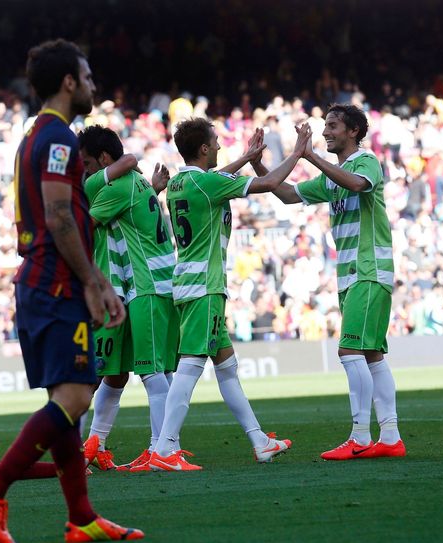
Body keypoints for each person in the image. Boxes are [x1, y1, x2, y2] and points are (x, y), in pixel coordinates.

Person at [0, 39, 143, 543]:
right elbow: (60, 215)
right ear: (68, 82)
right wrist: (93, 281)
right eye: (86, 76)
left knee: (70, 404)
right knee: (76, 396)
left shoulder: (33, 136)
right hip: (55, 283)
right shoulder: (59, 138)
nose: (92, 85)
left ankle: (81, 517)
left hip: (41, 281)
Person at [149, 118, 311, 471]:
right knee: (190, 365)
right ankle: (164, 447)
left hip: (193, 283)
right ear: (205, 149)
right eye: (216, 143)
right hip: (204, 286)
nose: (220, 147)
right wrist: (298, 153)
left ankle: (259, 440)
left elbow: (217, 177)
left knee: (227, 368)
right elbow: (268, 182)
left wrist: (245, 156)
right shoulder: (207, 183)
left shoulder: (181, 181)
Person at [255, 103, 406, 460]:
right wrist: (256, 164)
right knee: (372, 354)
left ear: (353, 131)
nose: (326, 131)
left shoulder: (365, 161)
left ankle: (360, 437)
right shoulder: (331, 176)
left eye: (333, 125)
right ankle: (390, 437)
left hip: (368, 269)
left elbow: (355, 183)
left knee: (350, 350)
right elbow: (289, 195)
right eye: (325, 125)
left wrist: (309, 156)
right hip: (352, 273)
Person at [77, 125, 178, 473]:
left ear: (104, 159)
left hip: (132, 286)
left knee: (106, 373)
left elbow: (80, 228)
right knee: (115, 374)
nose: (85, 170)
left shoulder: (114, 186)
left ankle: (161, 448)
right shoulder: (135, 183)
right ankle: (97, 445)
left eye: (88, 163)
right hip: (132, 287)